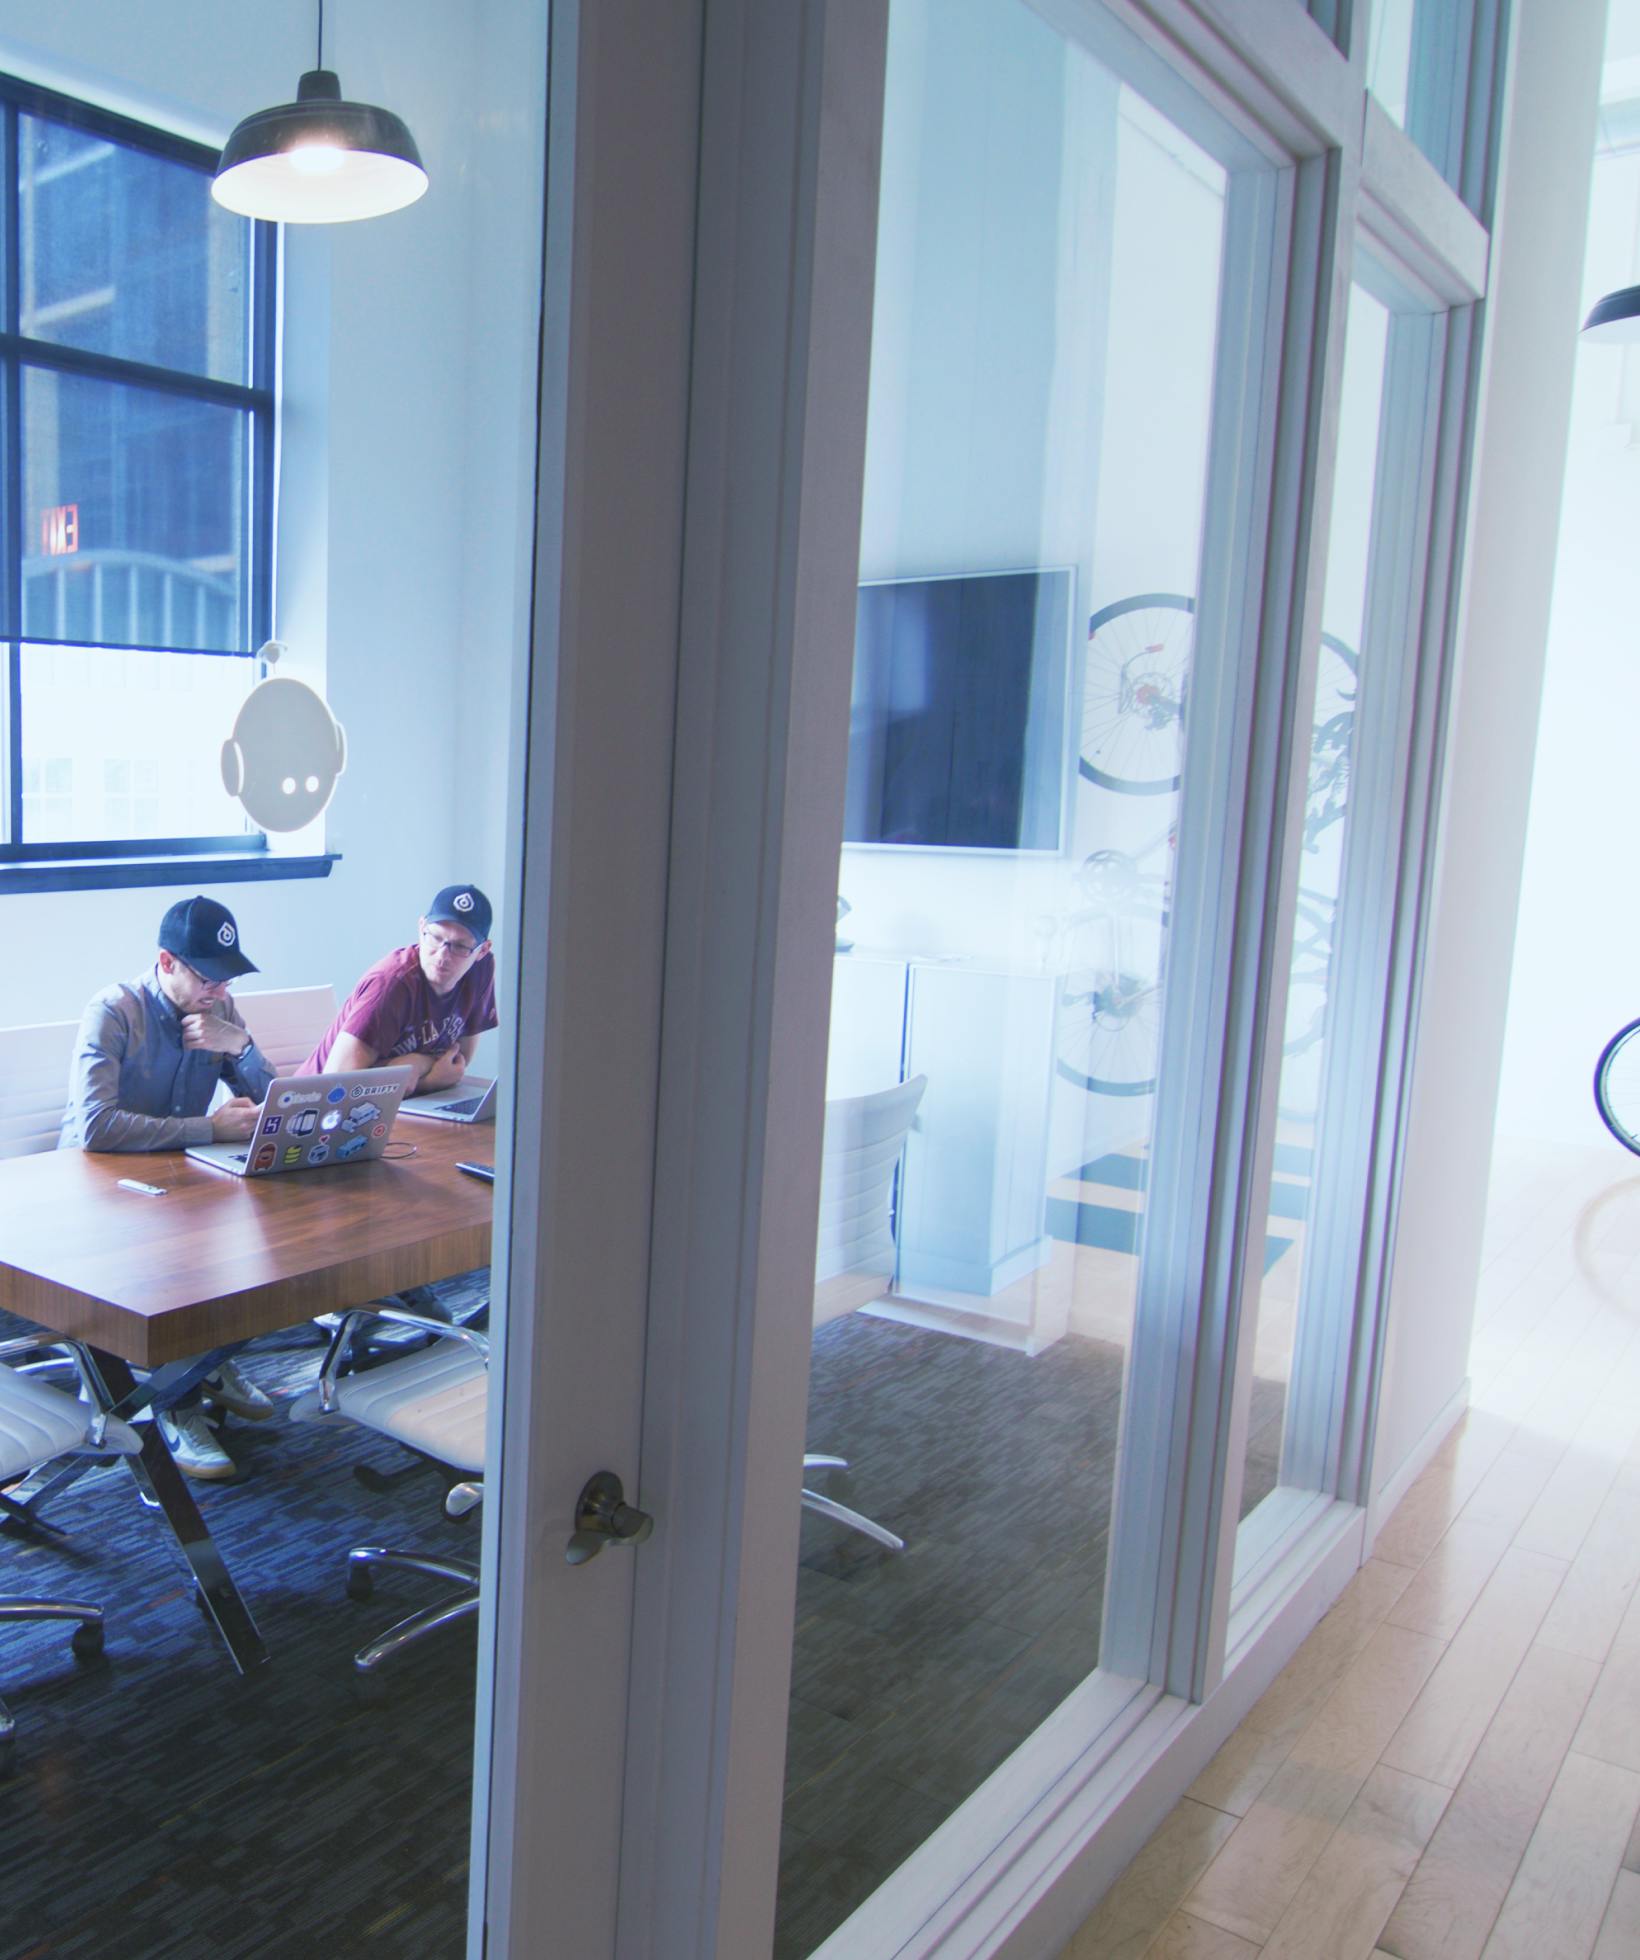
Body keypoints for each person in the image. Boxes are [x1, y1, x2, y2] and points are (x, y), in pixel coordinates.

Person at [62, 894, 279, 1479]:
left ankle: (207, 1361)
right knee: (179, 1253)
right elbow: (95, 1128)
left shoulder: (223, 1013)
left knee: (266, 1231)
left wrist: (240, 1047)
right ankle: (175, 1403)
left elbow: (273, 1102)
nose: (220, 990)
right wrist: (208, 1127)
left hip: (173, 1179)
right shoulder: (112, 1011)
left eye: (228, 978)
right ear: (166, 962)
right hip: (95, 1187)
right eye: (208, 977)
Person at [302, 883, 498, 1084]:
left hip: (401, 1103)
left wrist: (418, 1066)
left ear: (482, 951)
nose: (442, 955)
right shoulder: (391, 985)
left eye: (460, 946)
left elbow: (457, 1062)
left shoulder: (479, 970)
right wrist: (426, 1081)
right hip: (317, 1107)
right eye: (435, 937)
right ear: (421, 927)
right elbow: (336, 1081)